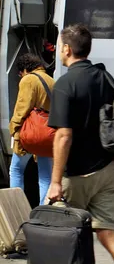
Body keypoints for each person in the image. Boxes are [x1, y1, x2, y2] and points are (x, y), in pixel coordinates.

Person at [46, 23, 114, 264]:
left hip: (77, 175)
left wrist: (55, 183)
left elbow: (63, 136)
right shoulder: (104, 76)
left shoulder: (65, 84)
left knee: (60, 234)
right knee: (108, 234)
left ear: (66, 49)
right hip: (107, 169)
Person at [8, 53, 54, 205]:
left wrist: (14, 129)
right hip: (47, 134)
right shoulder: (51, 80)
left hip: (30, 133)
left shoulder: (29, 79)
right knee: (46, 177)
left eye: (20, 74)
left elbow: (22, 108)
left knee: (16, 169)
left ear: (25, 69)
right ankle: (44, 212)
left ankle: (16, 208)